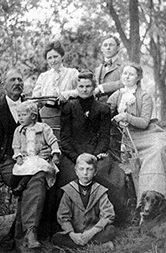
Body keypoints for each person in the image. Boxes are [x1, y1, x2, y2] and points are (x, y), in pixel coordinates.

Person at [0, 68, 51, 250]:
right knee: (37, 177)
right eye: (12, 80)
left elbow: (41, 137)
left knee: (38, 175)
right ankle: (28, 234)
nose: (17, 83)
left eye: (20, 79)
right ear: (4, 85)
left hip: (31, 158)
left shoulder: (32, 109)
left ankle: (25, 235)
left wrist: (46, 150)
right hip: (5, 162)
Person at [59, 69, 127, 223]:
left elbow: (104, 137)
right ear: (77, 87)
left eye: (88, 86)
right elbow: (64, 138)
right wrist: (76, 158)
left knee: (102, 175)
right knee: (70, 176)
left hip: (96, 152)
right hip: (73, 153)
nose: (84, 90)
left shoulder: (102, 108)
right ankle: (70, 220)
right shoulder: (69, 107)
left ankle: (108, 218)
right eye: (81, 86)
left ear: (93, 87)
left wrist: (95, 156)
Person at [107, 62, 166, 205]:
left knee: (158, 150)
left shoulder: (145, 96)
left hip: (147, 134)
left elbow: (144, 122)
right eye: (125, 73)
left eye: (131, 74)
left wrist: (126, 117)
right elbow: (106, 111)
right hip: (129, 137)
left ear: (138, 77)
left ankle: (157, 200)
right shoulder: (117, 94)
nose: (127, 76)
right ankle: (143, 204)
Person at [51, 153, 116, 249]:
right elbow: (63, 216)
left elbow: (108, 215)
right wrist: (72, 234)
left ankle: (78, 247)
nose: (85, 173)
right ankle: (96, 245)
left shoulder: (99, 190)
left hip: (94, 231)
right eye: (81, 169)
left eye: (89, 169)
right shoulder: (69, 190)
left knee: (111, 230)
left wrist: (92, 231)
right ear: (76, 171)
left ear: (95, 172)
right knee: (56, 238)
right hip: (76, 232)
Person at [10, 100, 61, 196]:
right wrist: (18, 156)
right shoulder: (19, 130)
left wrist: (55, 154)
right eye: (19, 115)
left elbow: (53, 141)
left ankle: (23, 184)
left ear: (33, 116)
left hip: (39, 158)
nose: (20, 118)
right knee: (18, 170)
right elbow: (16, 146)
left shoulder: (43, 128)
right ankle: (12, 188)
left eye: (24, 115)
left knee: (36, 169)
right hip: (26, 158)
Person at [32, 40, 79, 139]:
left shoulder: (72, 73)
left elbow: (82, 91)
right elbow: (35, 97)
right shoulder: (44, 76)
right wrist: (43, 100)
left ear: (62, 56)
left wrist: (66, 94)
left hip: (68, 115)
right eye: (50, 58)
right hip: (47, 117)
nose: (53, 60)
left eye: (55, 56)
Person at [94, 34, 124, 158]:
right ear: (101, 48)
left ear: (117, 48)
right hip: (100, 112)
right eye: (105, 45)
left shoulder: (123, 67)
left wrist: (102, 88)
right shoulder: (97, 69)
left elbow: (124, 83)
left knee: (114, 146)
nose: (108, 48)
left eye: (111, 45)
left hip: (116, 111)